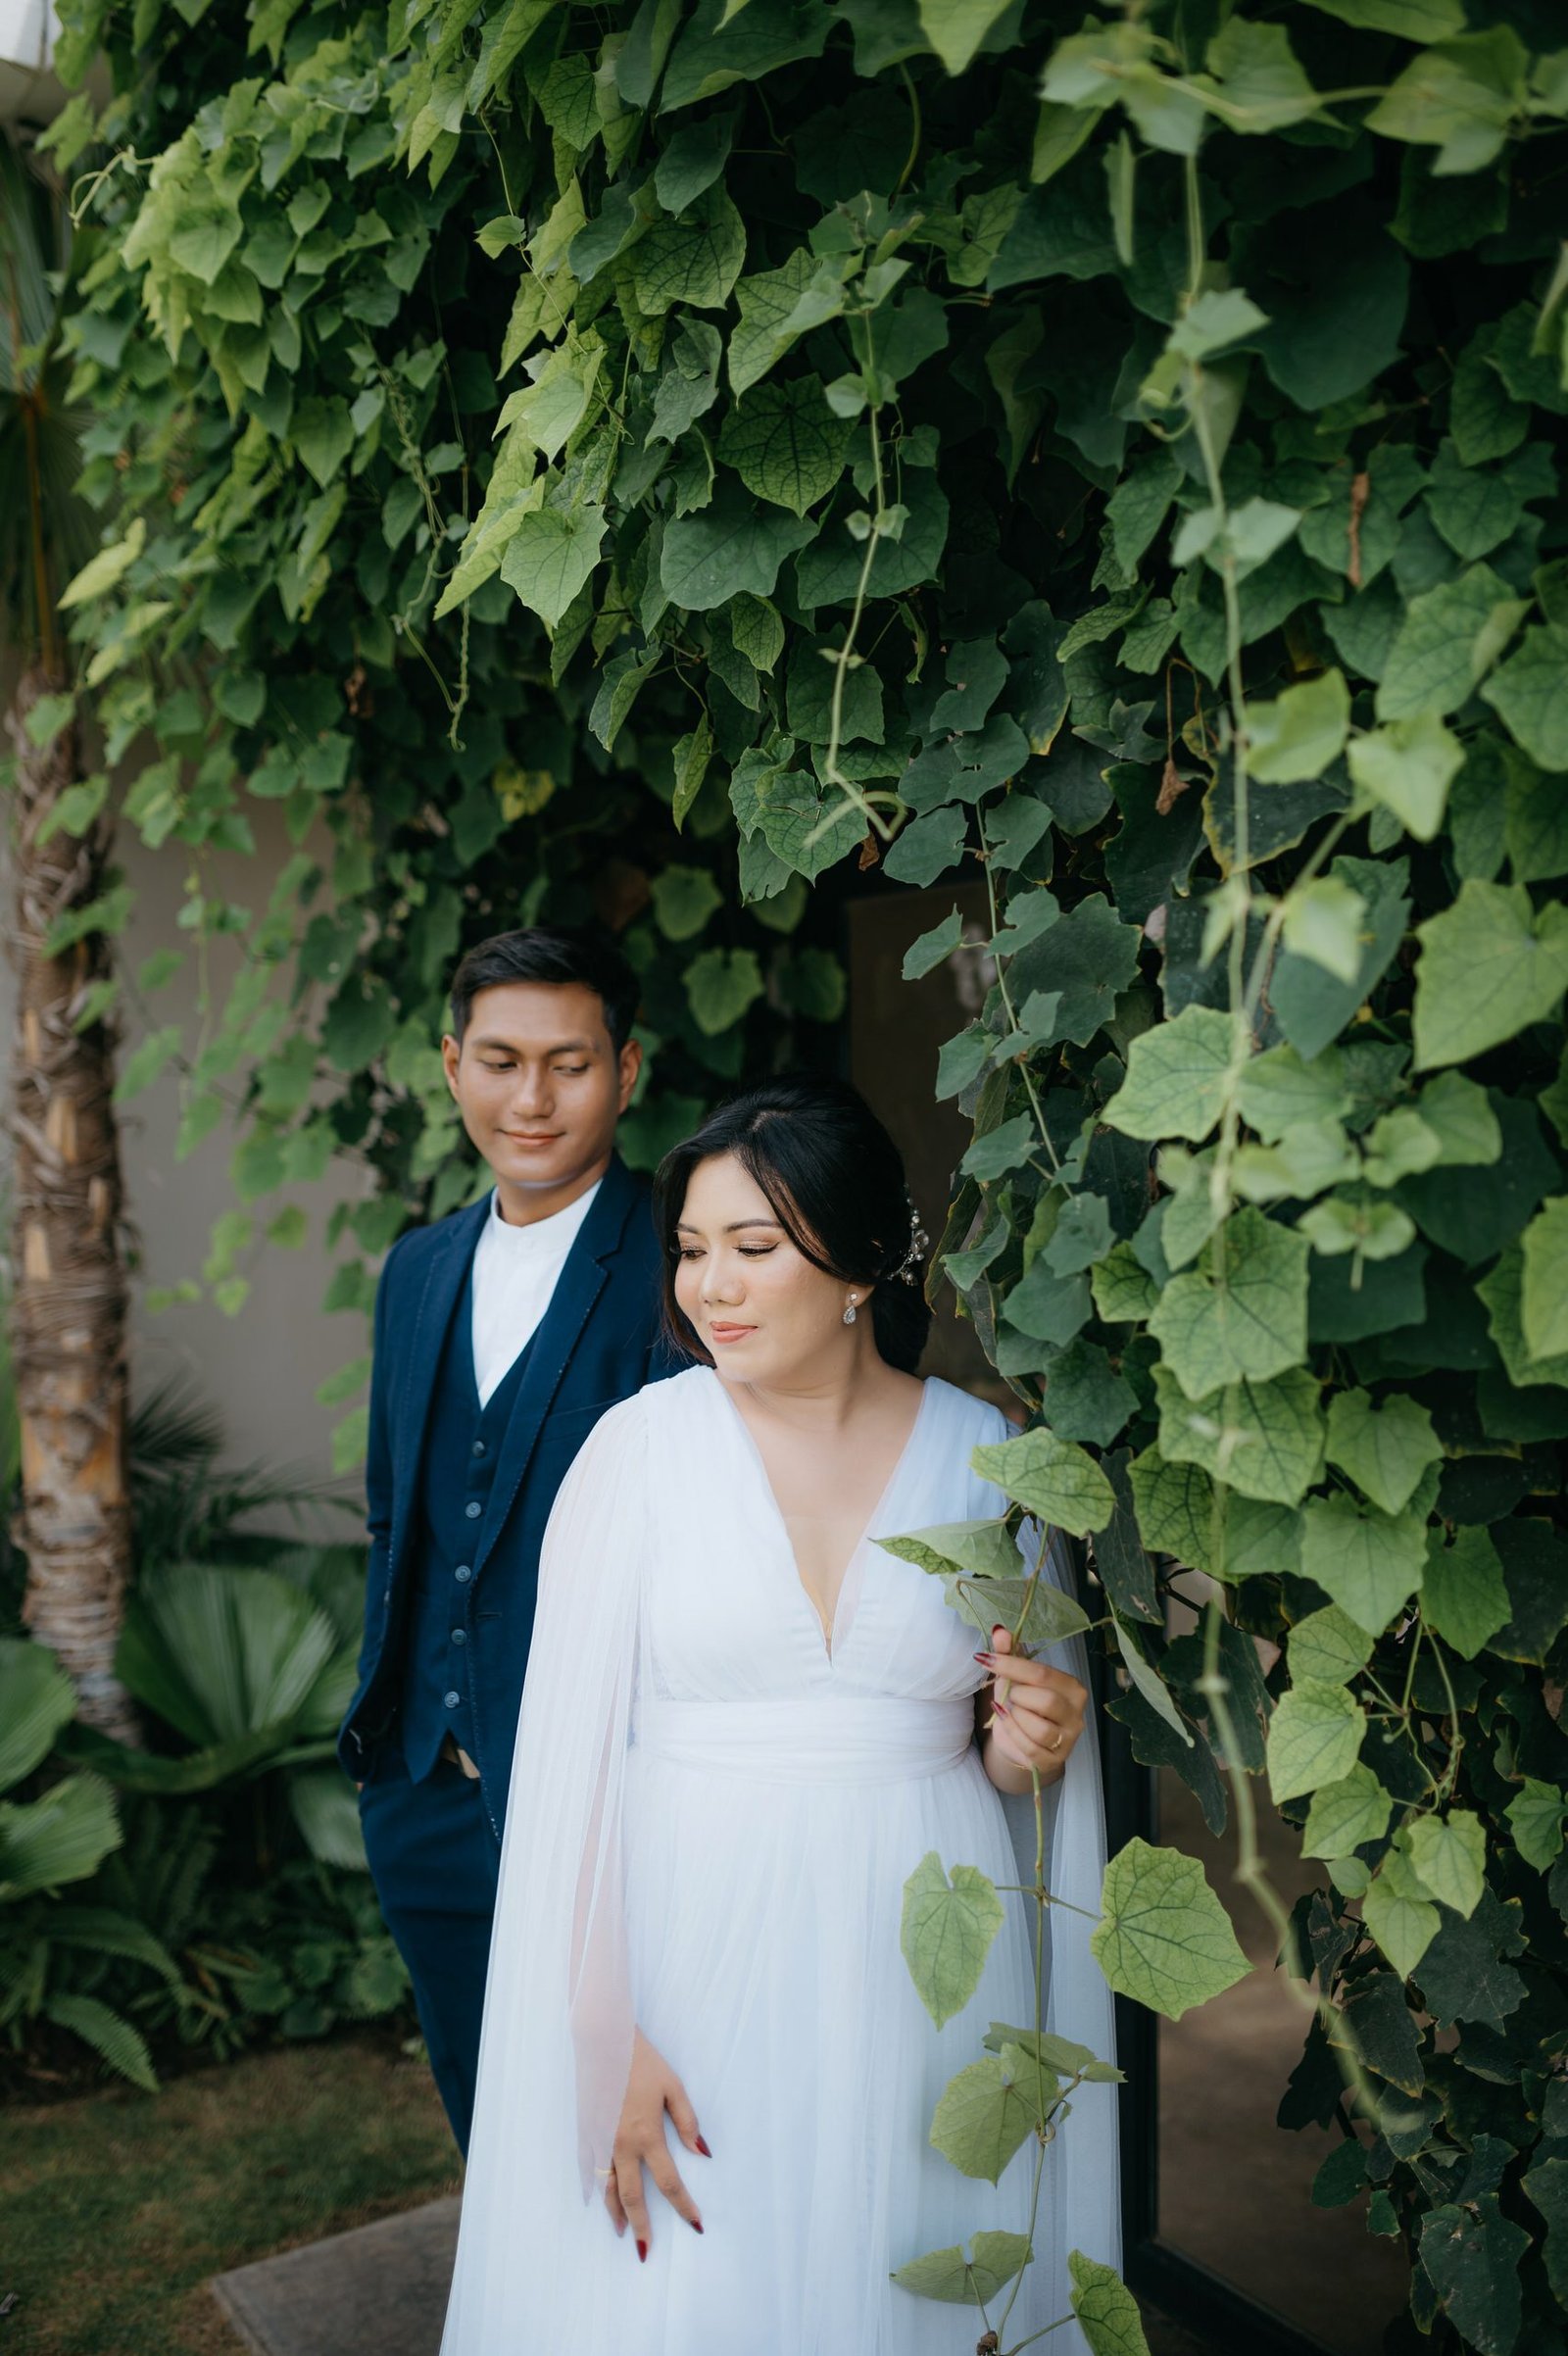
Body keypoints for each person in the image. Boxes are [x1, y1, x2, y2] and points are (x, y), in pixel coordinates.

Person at [439, 1074, 1118, 2354]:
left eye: (752, 1248)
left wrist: (1026, 1747)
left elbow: (1013, 1766)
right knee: (696, 2293)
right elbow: (570, 1777)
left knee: (906, 2266)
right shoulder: (637, 1453)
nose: (711, 1287)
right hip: (685, 1955)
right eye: (692, 1250)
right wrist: (599, 2033)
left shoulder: (990, 1463)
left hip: (924, 1956)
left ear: (858, 1262)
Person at [337, 923, 676, 2153]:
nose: (530, 1098)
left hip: (612, 1812)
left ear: (624, 1070)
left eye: (568, 1063)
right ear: (451, 1064)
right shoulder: (414, 1269)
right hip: (425, 1797)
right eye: (499, 1060)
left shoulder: (685, 1260)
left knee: (628, 2152)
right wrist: (391, 1764)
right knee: (491, 2138)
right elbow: (395, 1515)